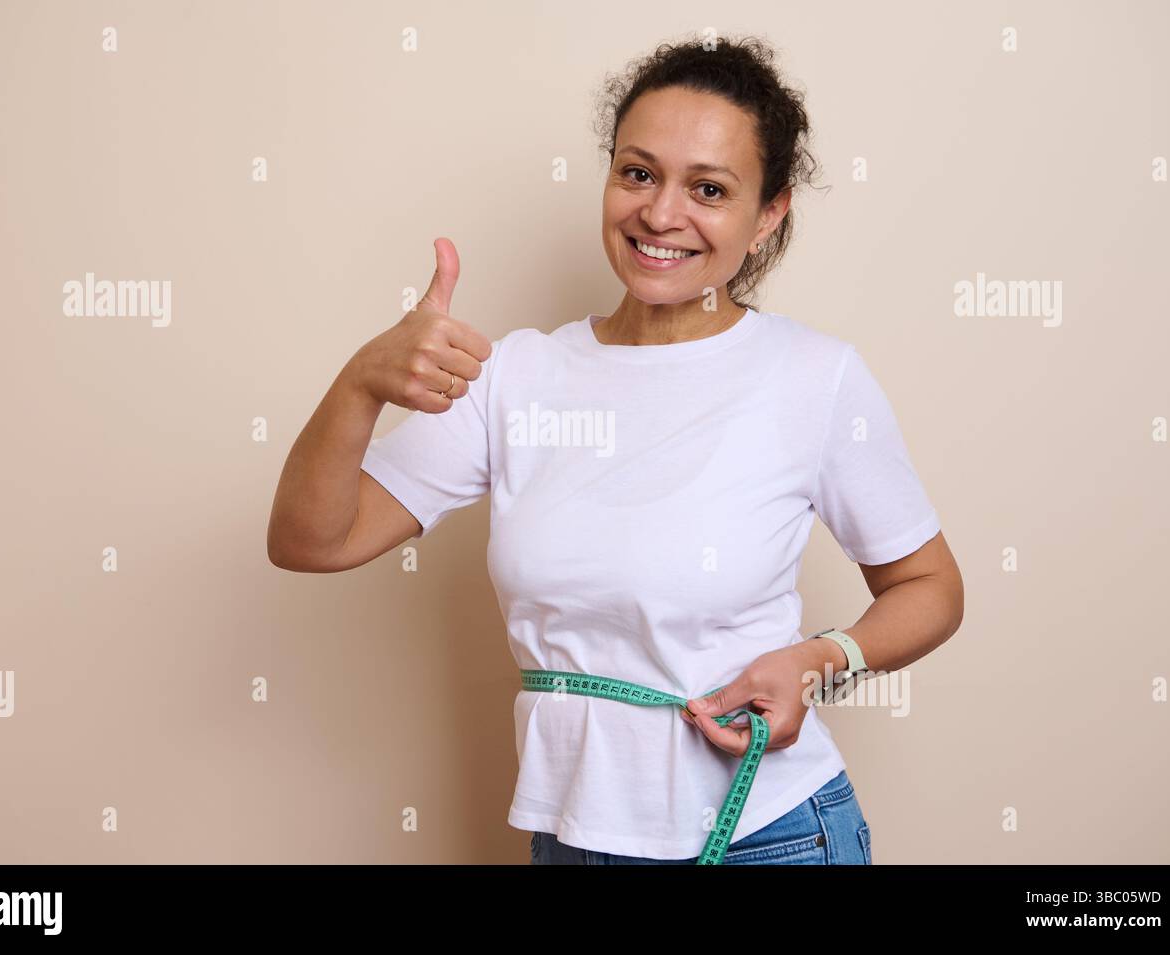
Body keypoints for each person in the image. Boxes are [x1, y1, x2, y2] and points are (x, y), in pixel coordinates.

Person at [266, 34, 964, 865]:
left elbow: (930, 587)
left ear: (770, 210)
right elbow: (311, 541)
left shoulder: (815, 378)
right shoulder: (515, 375)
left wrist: (820, 660)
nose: (661, 214)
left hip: (768, 837)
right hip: (569, 841)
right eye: (638, 172)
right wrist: (360, 385)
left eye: (709, 188)